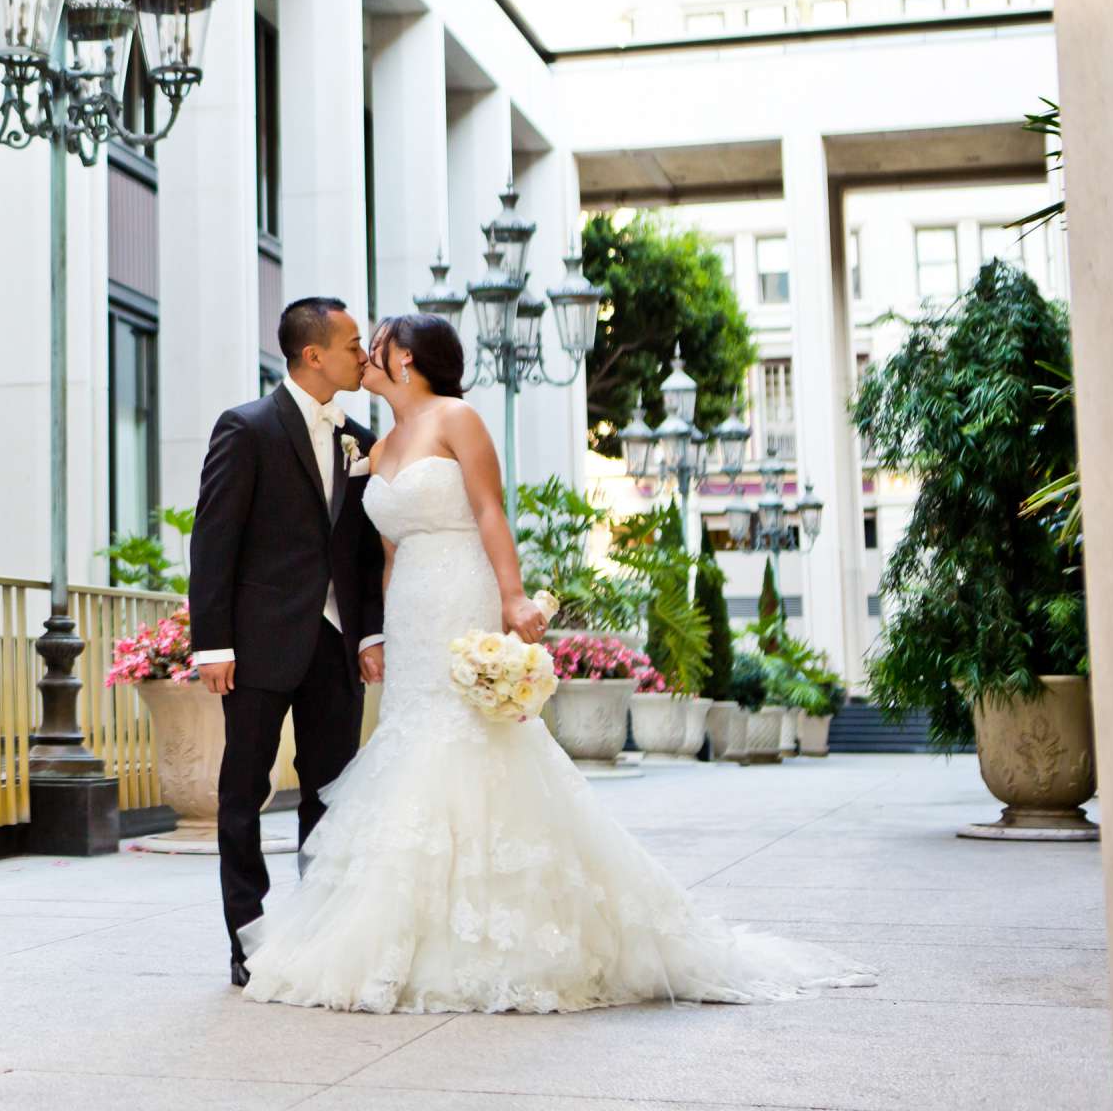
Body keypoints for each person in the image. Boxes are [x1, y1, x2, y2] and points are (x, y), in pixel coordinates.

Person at [235, 311, 873, 1012]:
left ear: (407, 358)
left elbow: (489, 512)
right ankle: (407, 934)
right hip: (412, 610)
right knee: (413, 745)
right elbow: (382, 550)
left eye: (376, 343)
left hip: (460, 590)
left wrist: (511, 596)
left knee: (471, 740)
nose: (367, 354)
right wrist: (375, 633)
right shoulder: (378, 443)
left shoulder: (457, 419)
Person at [188, 296, 386, 989]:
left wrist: (368, 632)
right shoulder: (247, 427)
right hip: (259, 644)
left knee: (332, 797)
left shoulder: (359, 435)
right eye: (354, 343)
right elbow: (214, 540)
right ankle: (248, 937)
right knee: (243, 793)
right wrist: (213, 644)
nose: (364, 355)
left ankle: (321, 935)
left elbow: (360, 552)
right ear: (313, 354)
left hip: (336, 650)